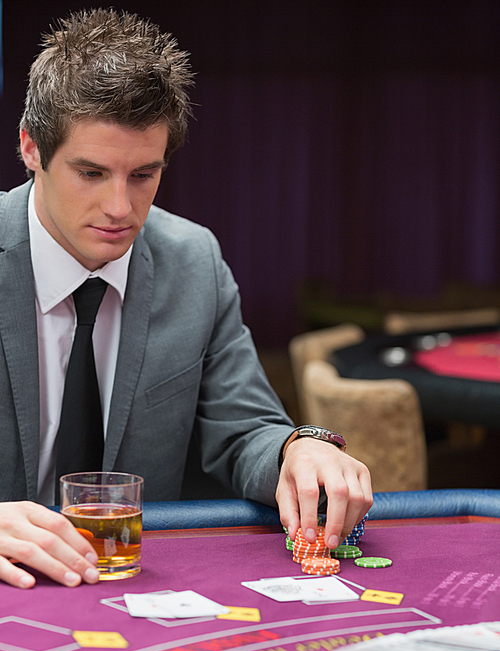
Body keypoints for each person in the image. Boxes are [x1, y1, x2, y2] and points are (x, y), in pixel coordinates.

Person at [0, 9, 372, 589]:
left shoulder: (194, 261)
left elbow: (246, 429)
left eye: (143, 174)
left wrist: (298, 450)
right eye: (91, 173)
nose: (121, 207)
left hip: (135, 586)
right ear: (30, 149)